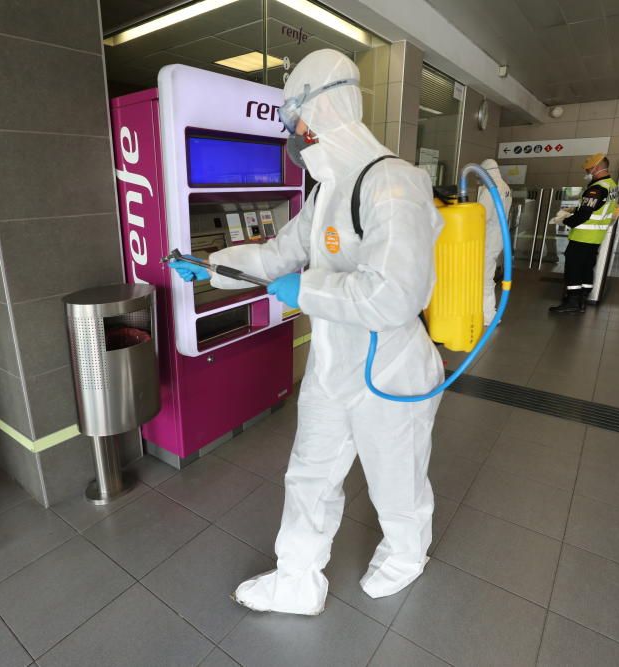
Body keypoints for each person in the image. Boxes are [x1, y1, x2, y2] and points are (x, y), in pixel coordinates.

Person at [169, 49, 444, 616]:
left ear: (327, 109)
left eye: (295, 118)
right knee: (310, 475)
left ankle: (405, 554)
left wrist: (307, 291)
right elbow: (278, 253)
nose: (292, 133)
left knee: (396, 477)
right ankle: (296, 577)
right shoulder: (325, 193)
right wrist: (215, 266)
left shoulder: (392, 184)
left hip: (390, 369)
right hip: (332, 366)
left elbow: (396, 294)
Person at [548, 153, 619, 314]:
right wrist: (573, 209)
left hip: (583, 236)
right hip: (596, 237)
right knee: (587, 267)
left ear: (597, 168)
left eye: (588, 168)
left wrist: (564, 220)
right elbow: (599, 208)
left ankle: (572, 301)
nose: (587, 171)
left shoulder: (596, 188)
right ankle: (582, 299)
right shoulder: (611, 185)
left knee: (573, 267)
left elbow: (584, 215)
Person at [476, 159, 512, 325]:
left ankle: (489, 315)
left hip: (488, 239)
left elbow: (481, 216)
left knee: (485, 278)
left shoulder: (491, 189)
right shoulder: (505, 186)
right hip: (497, 238)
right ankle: (486, 312)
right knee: (486, 275)